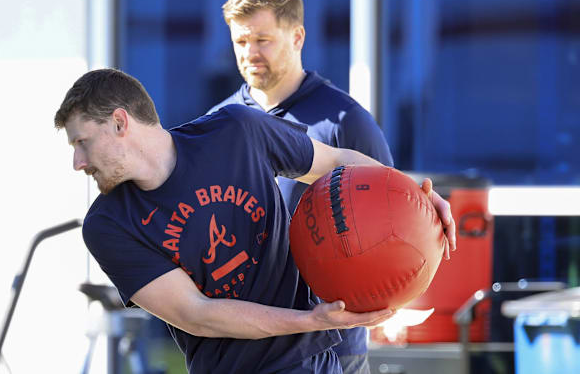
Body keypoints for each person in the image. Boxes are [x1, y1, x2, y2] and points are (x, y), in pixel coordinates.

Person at [54, 68, 456, 374]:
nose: (77, 163)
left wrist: (415, 195)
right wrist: (309, 320)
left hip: (315, 362)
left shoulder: (236, 131)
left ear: (121, 123)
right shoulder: (108, 224)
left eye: (81, 143)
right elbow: (198, 313)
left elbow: (335, 163)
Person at [209, 0, 394, 372]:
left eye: (263, 39)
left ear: (297, 37)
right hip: (245, 347)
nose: (250, 52)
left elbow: (391, 228)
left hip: (331, 349)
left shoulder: (346, 124)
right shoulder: (218, 125)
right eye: (240, 42)